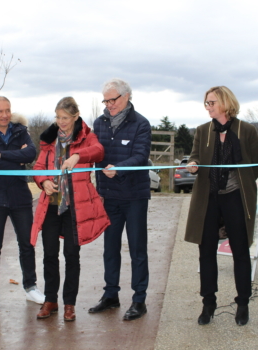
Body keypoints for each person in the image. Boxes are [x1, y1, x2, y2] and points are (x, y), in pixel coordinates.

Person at [184, 86, 258, 326]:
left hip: (235, 197)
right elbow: (194, 156)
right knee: (206, 251)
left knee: (240, 251)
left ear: (225, 103)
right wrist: (193, 164)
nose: (207, 107)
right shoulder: (201, 131)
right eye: (206, 103)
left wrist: (241, 183)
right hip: (208, 198)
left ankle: (242, 304)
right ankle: (208, 304)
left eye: (211, 102)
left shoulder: (246, 130)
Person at [30, 97, 110, 322]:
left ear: (75, 117)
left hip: (75, 209)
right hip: (51, 206)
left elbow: (99, 151)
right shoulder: (49, 139)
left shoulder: (87, 136)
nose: (60, 122)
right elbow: (38, 167)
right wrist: (43, 181)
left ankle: (69, 304)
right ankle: (50, 300)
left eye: (65, 118)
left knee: (72, 256)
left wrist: (77, 155)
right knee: (49, 255)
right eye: (57, 117)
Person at [0, 96, 45, 312]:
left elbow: (31, 153)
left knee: (27, 243)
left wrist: (3, 154)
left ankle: (31, 287)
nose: (4, 115)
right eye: (0, 111)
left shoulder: (20, 130)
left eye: (7, 110)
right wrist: (17, 157)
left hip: (19, 194)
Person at [89, 78, 152, 321]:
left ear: (126, 97)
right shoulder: (99, 123)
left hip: (134, 197)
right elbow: (94, 152)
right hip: (109, 196)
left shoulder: (141, 124)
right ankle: (111, 295)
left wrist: (120, 168)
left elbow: (140, 156)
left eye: (112, 100)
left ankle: (139, 300)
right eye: (105, 100)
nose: (108, 105)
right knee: (110, 249)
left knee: (137, 249)